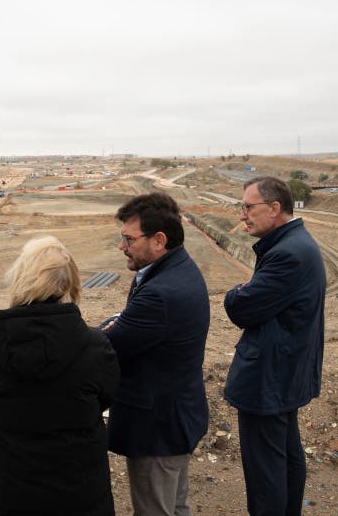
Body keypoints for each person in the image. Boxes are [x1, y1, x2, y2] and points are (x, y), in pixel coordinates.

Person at [0, 236, 119, 516]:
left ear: (20, 279)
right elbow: (105, 398)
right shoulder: (97, 348)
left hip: (6, 495)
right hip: (78, 494)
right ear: (70, 283)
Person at [101, 192, 210, 516]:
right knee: (175, 508)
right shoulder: (173, 270)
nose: (122, 246)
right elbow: (126, 323)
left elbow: (111, 344)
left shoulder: (161, 293)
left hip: (157, 427)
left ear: (159, 240)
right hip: (174, 417)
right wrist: (116, 324)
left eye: (128, 239)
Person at [223, 176, 326, 516]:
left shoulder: (287, 254)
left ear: (275, 208)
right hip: (283, 373)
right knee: (284, 457)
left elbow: (241, 308)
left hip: (269, 377)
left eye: (248, 207)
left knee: (266, 470)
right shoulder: (294, 244)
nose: (242, 216)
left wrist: (237, 291)